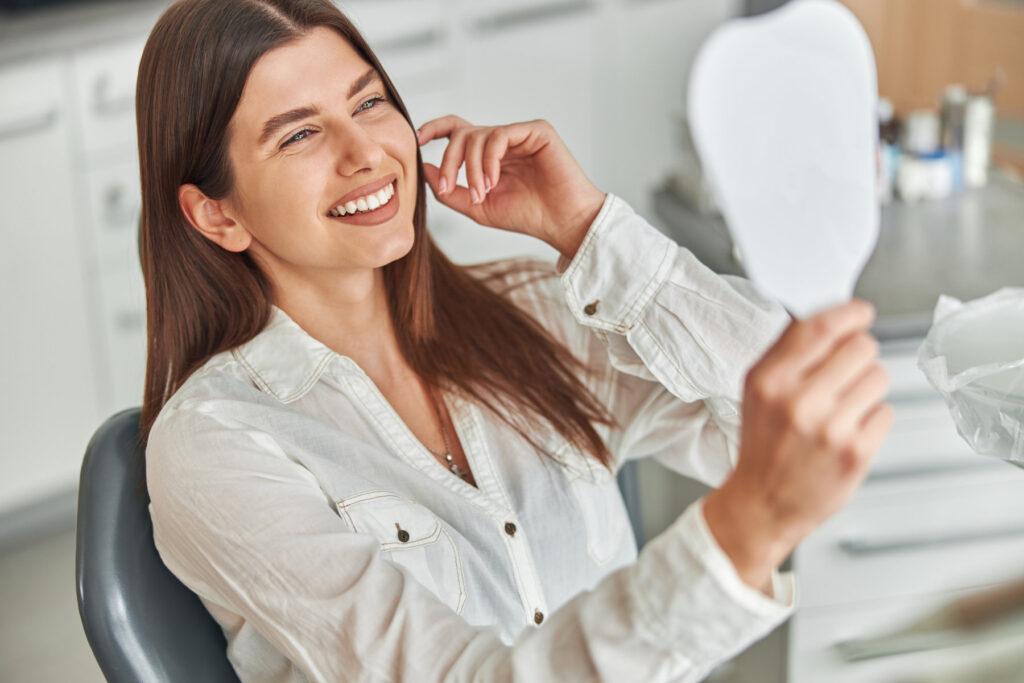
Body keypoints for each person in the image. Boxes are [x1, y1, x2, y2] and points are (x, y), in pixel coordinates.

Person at [138, 0, 892, 681]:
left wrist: (589, 228)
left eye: (368, 101)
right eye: (300, 133)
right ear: (216, 215)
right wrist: (739, 535)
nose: (364, 151)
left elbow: (781, 413)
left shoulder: (529, 313)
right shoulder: (216, 445)